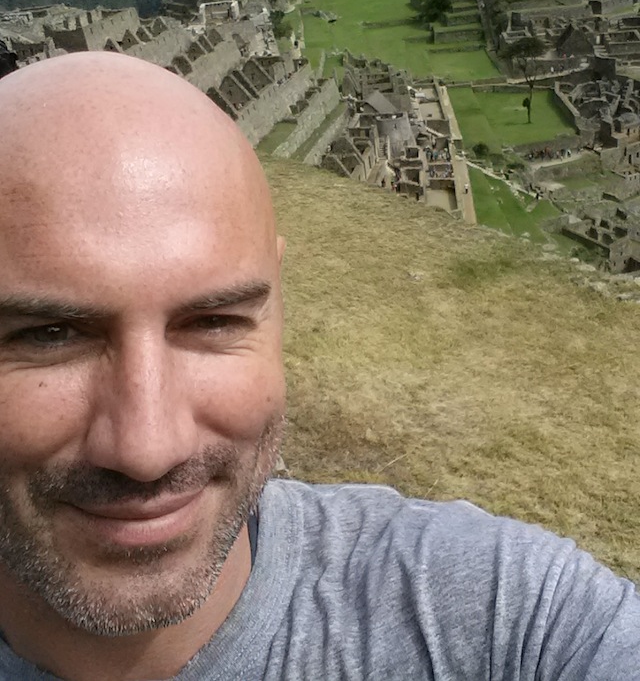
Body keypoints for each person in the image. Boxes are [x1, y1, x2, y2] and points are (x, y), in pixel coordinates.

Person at [0, 53, 637, 681]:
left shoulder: (516, 620)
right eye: (49, 335)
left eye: (214, 322)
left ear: (277, 304)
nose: (147, 451)